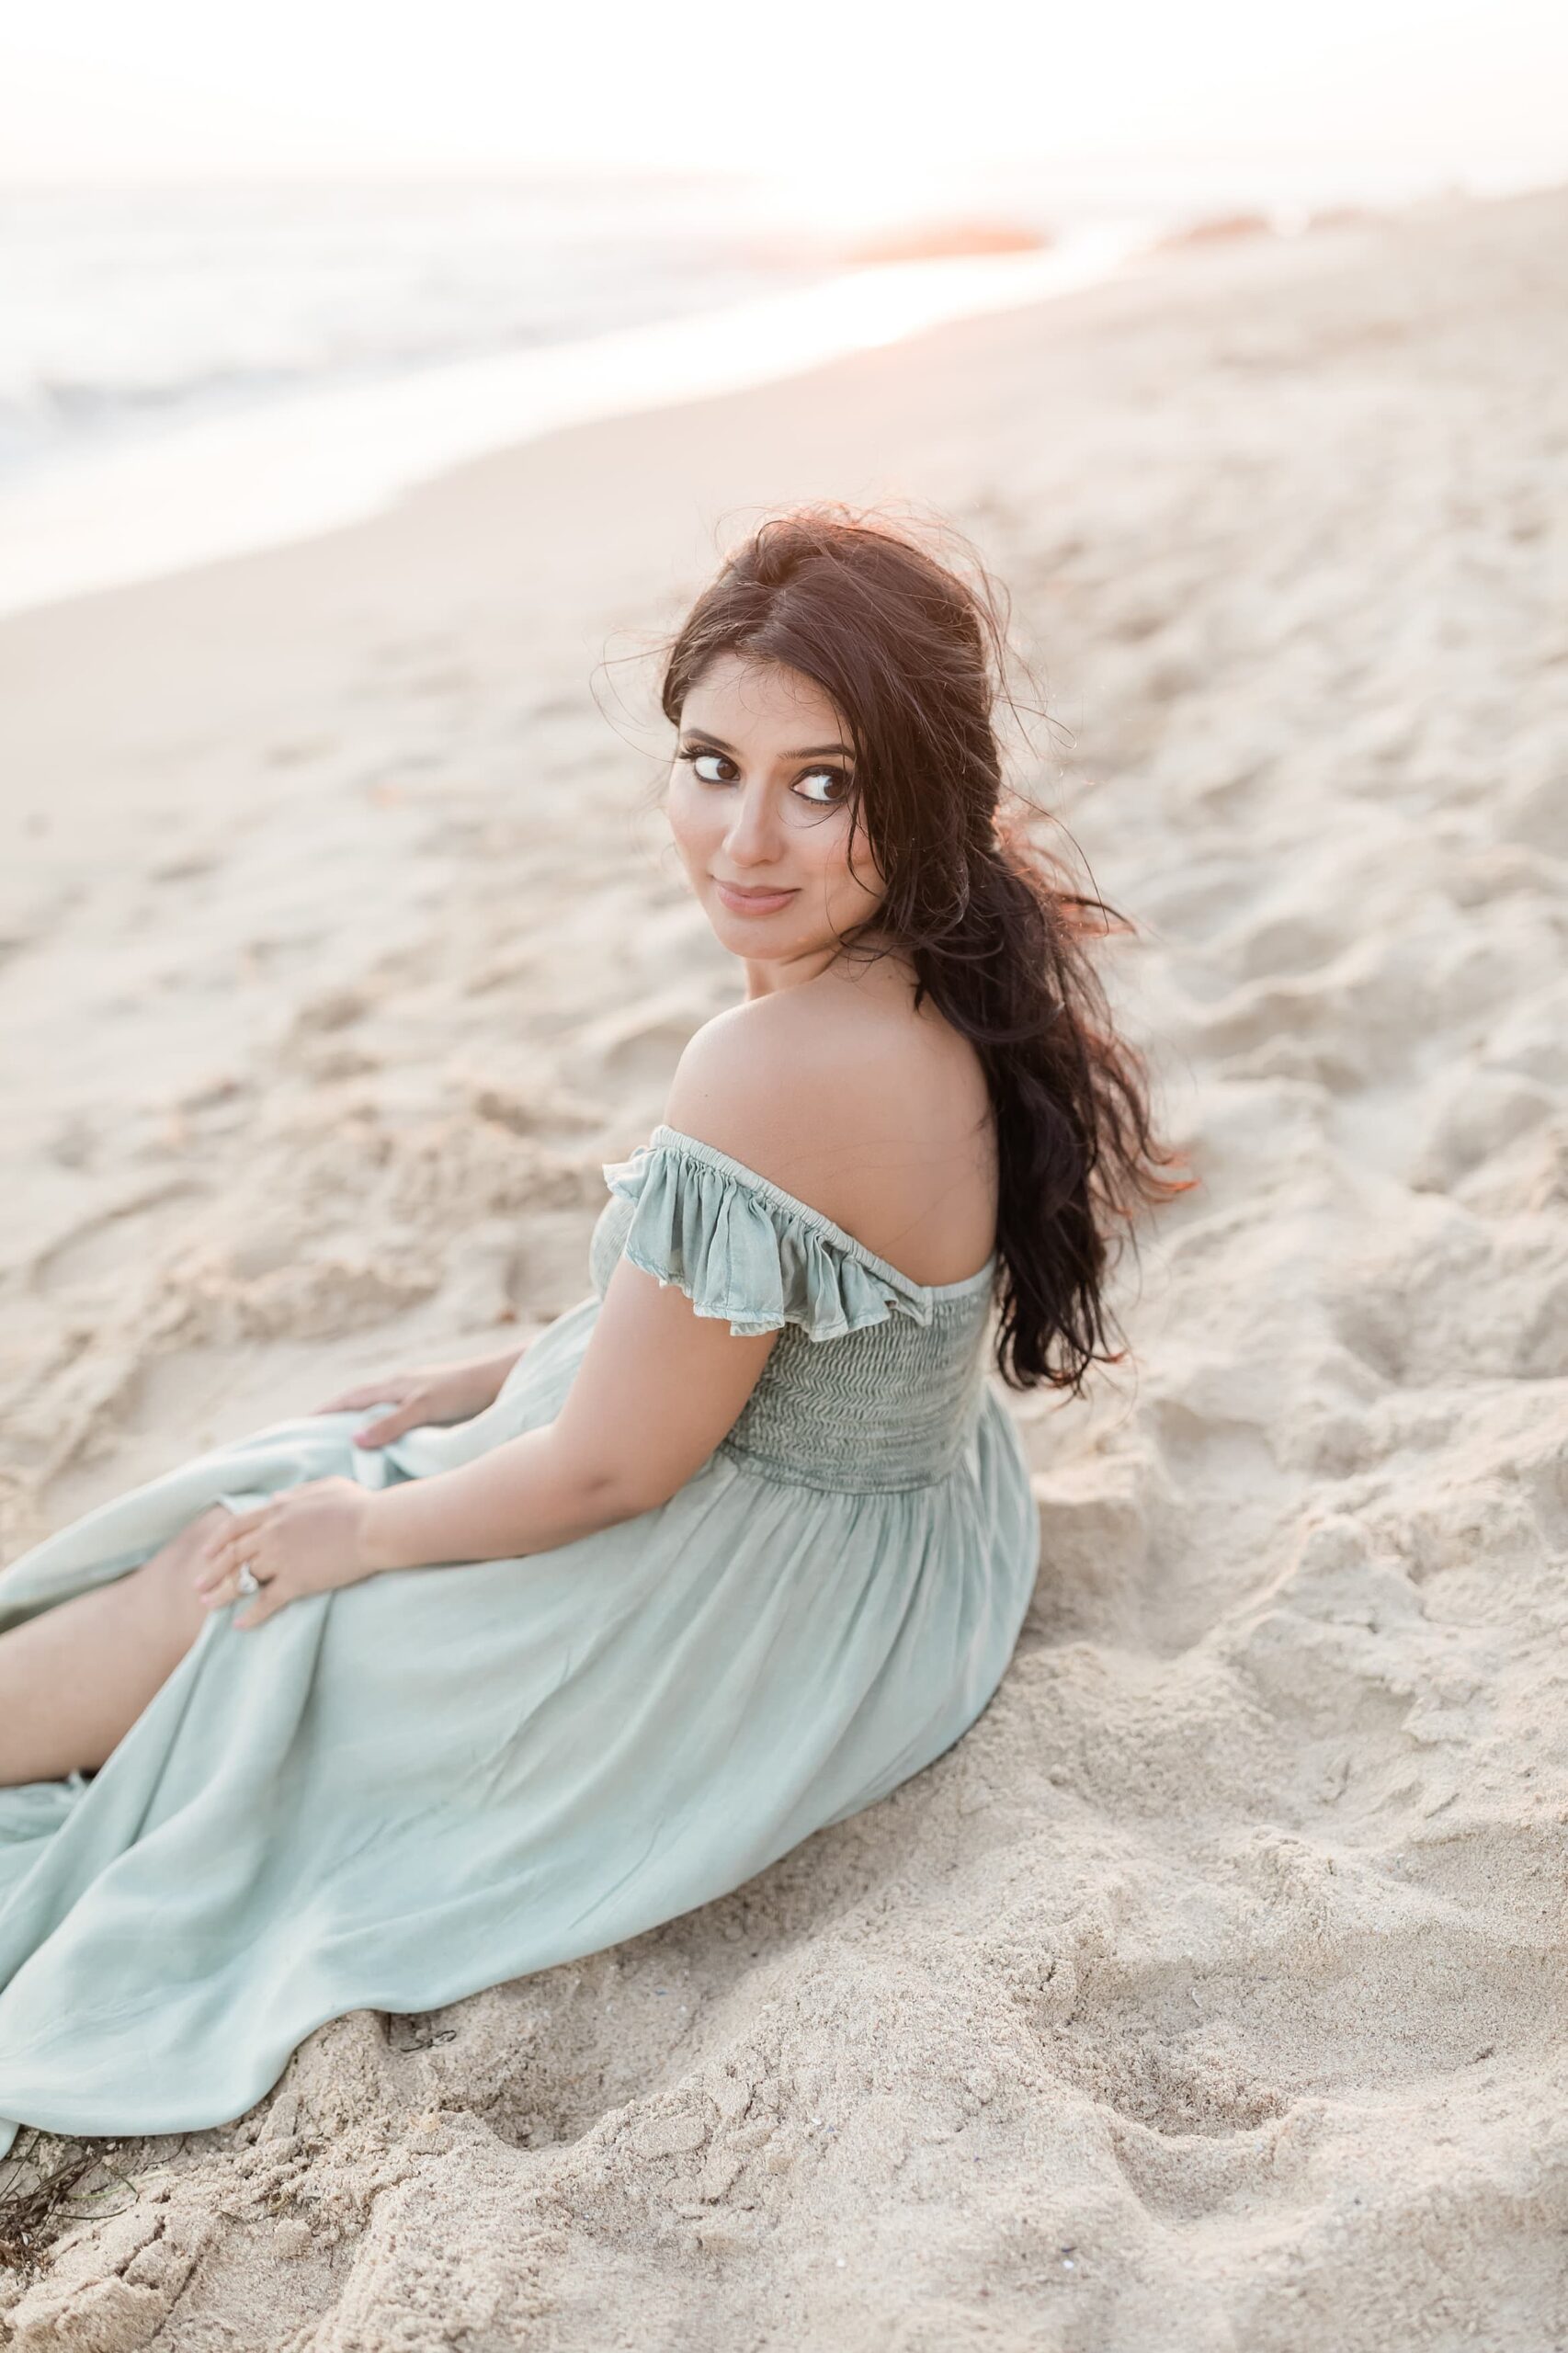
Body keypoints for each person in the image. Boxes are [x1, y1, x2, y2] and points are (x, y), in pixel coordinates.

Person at [0, 506, 1184, 2162]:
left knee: (232, 1574)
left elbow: (613, 1470)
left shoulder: (770, 1063)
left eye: (821, 783)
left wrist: (365, 1536)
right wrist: (500, 1368)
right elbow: (769, 1311)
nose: (746, 841)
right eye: (712, 764)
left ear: (921, 789)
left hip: (726, 1605)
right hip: (903, 1537)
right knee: (312, 1473)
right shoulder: (952, 965)